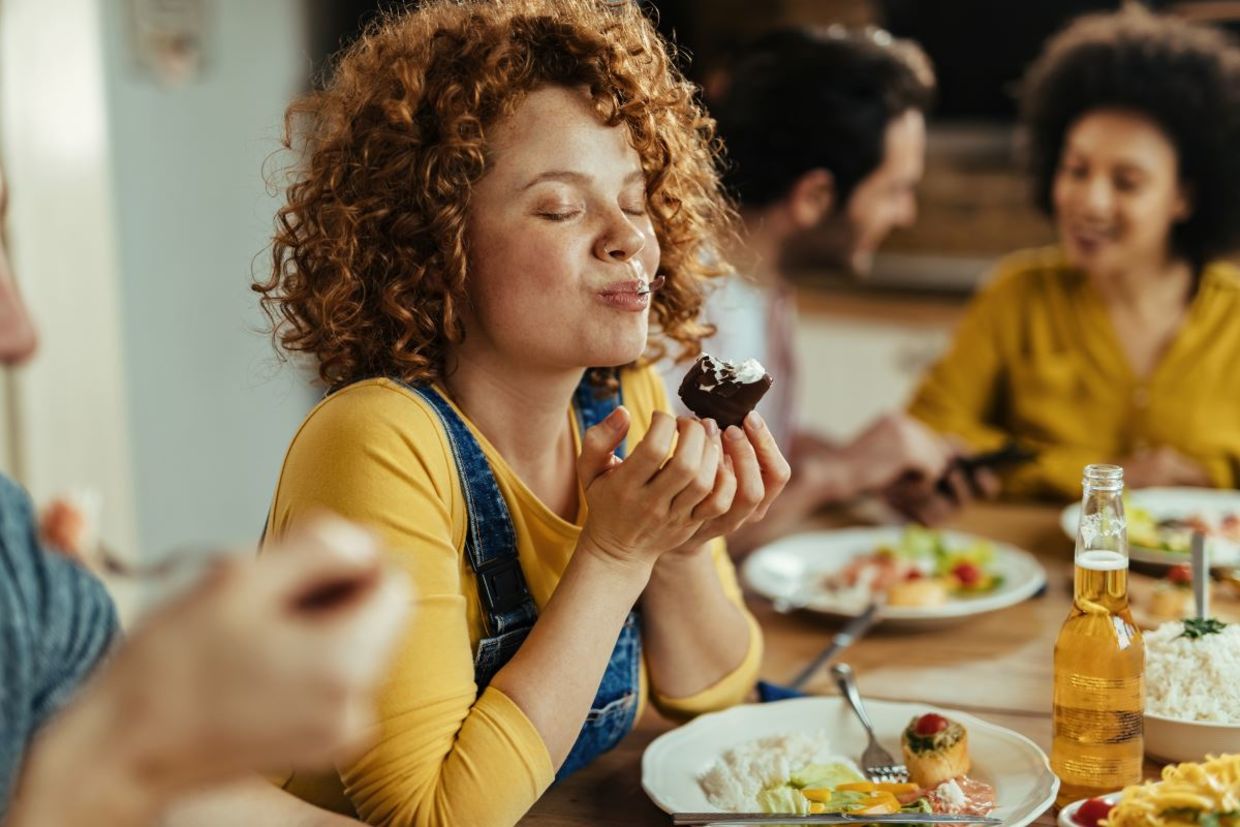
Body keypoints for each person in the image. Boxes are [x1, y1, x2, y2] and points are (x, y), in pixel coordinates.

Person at [253, 1, 786, 824]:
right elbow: (432, 815)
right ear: (438, 248)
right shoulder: (378, 443)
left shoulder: (624, 395)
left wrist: (674, 547)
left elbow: (717, 697)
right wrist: (612, 556)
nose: (628, 239)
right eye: (561, 209)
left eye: (636, 200)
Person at [0, 169, 408, 826]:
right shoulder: (372, 434)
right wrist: (129, 748)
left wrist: (153, 739)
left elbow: (194, 807)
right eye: (558, 209)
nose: (20, 334)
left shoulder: (17, 558)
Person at [661, 26, 974, 551]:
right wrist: (838, 475)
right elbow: (677, 533)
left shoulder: (761, 283)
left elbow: (752, 446)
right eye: (895, 190)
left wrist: (876, 469)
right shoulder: (679, 311)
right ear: (815, 196)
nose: (906, 214)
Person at [908, 7, 1240, 499]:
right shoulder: (1017, 294)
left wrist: (1206, 477)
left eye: (1126, 182)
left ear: (1185, 197)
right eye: (1077, 169)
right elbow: (928, 434)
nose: (1090, 200)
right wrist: (1104, 474)